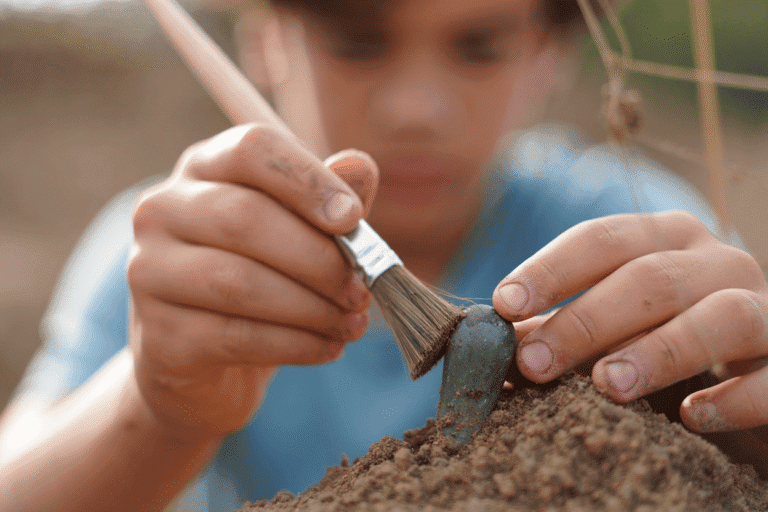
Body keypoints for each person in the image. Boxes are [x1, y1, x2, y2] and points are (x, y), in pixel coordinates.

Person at [1, 0, 767, 510]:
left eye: (479, 46)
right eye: (359, 43)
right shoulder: (184, 248)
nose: (416, 108)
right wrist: (156, 405)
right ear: (266, 40)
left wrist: (739, 422)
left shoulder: (621, 226)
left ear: (549, 53)